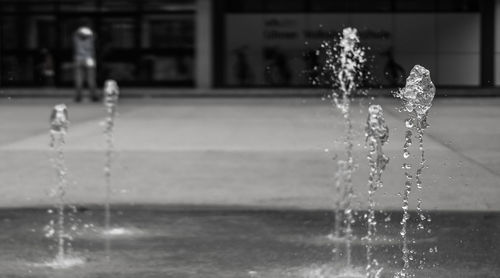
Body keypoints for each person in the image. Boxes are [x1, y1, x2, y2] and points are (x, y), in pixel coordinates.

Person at [73, 26, 99, 102]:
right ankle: (93, 95)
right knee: (91, 78)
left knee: (79, 79)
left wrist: (80, 30)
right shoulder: (90, 40)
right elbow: (94, 35)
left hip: (79, 58)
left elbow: (75, 34)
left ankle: (78, 96)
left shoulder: (77, 40)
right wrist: (89, 31)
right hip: (89, 59)